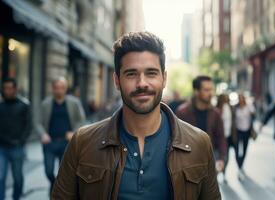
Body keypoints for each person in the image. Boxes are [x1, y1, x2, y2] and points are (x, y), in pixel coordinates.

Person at [52, 32, 221, 199]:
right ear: (117, 80)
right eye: (131, 74)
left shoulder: (199, 143)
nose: (142, 83)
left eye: (151, 73)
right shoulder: (83, 142)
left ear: (164, 78)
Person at [36, 77, 86, 193]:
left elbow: (82, 120)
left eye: (62, 88)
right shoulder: (46, 103)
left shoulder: (74, 102)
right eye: (56, 88)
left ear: (65, 88)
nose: (59, 90)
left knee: (63, 173)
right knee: (48, 171)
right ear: (52, 89)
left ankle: (57, 192)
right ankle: (54, 185)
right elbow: (37, 122)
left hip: (67, 144)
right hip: (50, 143)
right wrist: (43, 134)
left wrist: (74, 132)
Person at [175, 75, 227, 173]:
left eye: (211, 89)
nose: (211, 93)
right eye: (206, 90)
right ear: (196, 91)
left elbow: (221, 137)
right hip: (187, 166)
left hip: (210, 165)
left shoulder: (216, 113)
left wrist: (221, 158)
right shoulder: (182, 112)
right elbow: (176, 139)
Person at [0, 78, 31, 200]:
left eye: (10, 88)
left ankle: (16, 197)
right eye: (5, 88)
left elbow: (28, 126)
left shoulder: (23, 105)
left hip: (17, 147)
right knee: (0, 177)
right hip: (1, 147)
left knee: (17, 177)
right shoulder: (0, 106)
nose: (7, 91)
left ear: (15, 89)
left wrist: (21, 141)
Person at [234, 93, 255, 179]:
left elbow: (254, 113)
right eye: (240, 98)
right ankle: (239, 165)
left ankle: (241, 164)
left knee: (245, 149)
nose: (241, 100)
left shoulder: (248, 106)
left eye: (243, 98)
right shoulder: (235, 108)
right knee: (237, 149)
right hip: (238, 131)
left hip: (247, 131)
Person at [216, 93, 235, 182]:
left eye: (226, 97)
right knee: (219, 156)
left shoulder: (230, 107)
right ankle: (217, 174)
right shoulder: (216, 109)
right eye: (224, 98)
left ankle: (224, 172)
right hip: (219, 137)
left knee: (227, 157)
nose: (226, 99)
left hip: (228, 136)